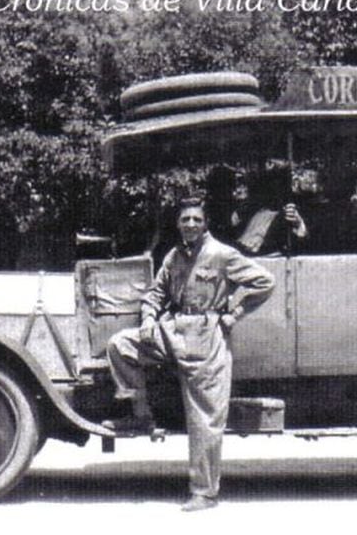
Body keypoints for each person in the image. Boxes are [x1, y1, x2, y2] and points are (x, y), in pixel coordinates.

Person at [105, 197, 276, 512]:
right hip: (173, 330)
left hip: (207, 339)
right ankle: (143, 413)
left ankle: (205, 493)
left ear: (205, 222)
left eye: (197, 219)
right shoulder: (174, 256)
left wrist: (235, 312)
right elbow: (156, 293)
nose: (191, 225)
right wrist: (147, 321)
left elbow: (265, 282)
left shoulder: (222, 254)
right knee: (120, 345)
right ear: (178, 223)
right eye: (186, 219)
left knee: (204, 419)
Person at [235, 166, 308, 256]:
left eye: (279, 186)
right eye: (272, 186)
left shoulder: (287, 215)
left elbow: (299, 244)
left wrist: (299, 224)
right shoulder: (256, 212)